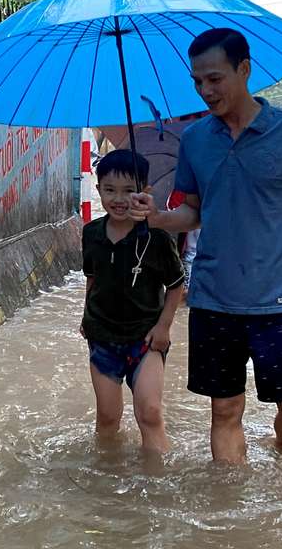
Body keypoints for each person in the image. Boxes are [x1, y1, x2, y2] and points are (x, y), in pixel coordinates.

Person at [129, 27, 282, 463]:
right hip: (213, 298)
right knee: (224, 409)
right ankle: (231, 515)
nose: (205, 90)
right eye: (197, 81)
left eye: (215, 79)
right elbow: (196, 212)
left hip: (278, 300)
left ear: (244, 70)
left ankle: (281, 452)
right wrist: (160, 219)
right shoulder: (197, 140)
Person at [82, 150, 185, 454]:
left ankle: (156, 486)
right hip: (102, 337)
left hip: (145, 338)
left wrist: (164, 328)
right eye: (110, 190)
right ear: (98, 188)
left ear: (146, 191)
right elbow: (92, 277)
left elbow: (176, 285)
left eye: (129, 191)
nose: (118, 199)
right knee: (108, 418)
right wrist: (85, 315)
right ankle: (107, 481)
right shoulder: (91, 234)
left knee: (150, 414)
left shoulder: (156, 237)